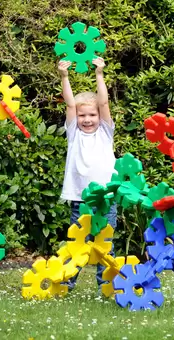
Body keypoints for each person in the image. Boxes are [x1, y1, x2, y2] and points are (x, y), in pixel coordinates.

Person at [58, 57, 117, 293]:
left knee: (105, 245)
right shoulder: (74, 133)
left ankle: (107, 286)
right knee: (77, 244)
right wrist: (64, 77)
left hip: (105, 200)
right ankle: (66, 283)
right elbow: (70, 105)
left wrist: (100, 75)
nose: (87, 120)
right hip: (80, 201)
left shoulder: (105, 131)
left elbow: (103, 104)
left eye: (92, 115)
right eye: (83, 116)